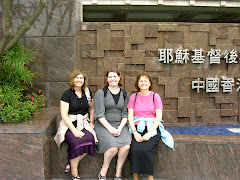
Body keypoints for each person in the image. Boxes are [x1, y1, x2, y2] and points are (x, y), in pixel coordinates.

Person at [127, 72, 174, 180]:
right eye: (141, 81)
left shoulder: (155, 96)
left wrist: (149, 133)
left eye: (145, 81)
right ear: (137, 84)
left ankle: (150, 178)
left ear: (150, 83)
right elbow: (130, 117)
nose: (143, 83)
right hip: (137, 127)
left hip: (152, 128)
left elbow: (158, 117)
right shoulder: (133, 97)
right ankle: (135, 178)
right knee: (134, 150)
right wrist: (135, 133)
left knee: (147, 150)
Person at [54, 69, 98, 180]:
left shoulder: (87, 93)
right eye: (77, 78)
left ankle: (71, 161)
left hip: (84, 122)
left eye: (81, 78)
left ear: (84, 80)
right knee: (75, 141)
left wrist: (92, 122)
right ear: (72, 80)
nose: (79, 80)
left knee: (90, 139)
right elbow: (64, 114)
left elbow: (92, 109)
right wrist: (74, 130)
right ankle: (75, 173)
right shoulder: (67, 94)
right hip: (70, 124)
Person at [94, 68, 132, 180]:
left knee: (126, 146)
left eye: (115, 76)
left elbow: (125, 114)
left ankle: (118, 173)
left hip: (120, 125)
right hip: (104, 125)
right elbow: (99, 114)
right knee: (113, 148)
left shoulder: (125, 94)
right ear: (106, 79)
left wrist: (120, 127)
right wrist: (110, 129)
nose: (112, 79)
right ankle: (103, 171)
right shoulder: (101, 93)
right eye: (110, 77)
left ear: (119, 77)